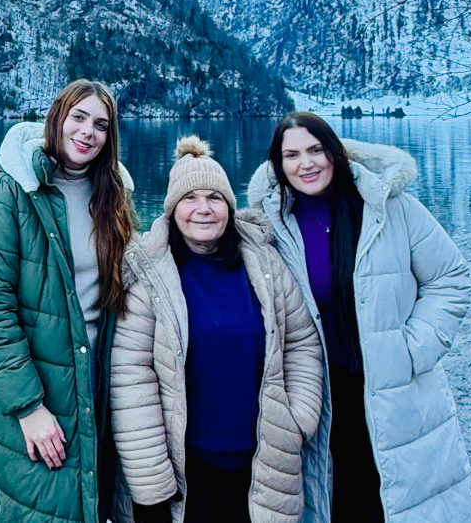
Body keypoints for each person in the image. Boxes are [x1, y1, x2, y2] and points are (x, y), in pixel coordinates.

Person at [247, 112, 471, 523]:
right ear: (278, 166)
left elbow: (450, 278)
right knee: (335, 494)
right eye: (292, 155)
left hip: (393, 383)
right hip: (317, 389)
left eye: (316, 150)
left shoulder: (389, 208)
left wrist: (412, 351)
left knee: (400, 494)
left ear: (336, 153)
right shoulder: (273, 224)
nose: (306, 163)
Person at [110, 136, 324, 523]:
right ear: (173, 209)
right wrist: (151, 489)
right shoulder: (149, 275)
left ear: (230, 205)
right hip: (187, 469)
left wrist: (300, 418)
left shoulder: (263, 263)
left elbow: (302, 342)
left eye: (215, 198)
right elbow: (132, 383)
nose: (203, 209)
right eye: (190, 199)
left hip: (265, 460)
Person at [0, 79, 137, 523]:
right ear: (57, 118)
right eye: (79, 117)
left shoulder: (113, 197)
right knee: (36, 508)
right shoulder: (8, 194)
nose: (87, 132)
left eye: (100, 124)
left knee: (92, 503)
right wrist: (28, 407)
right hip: (39, 394)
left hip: (97, 385)